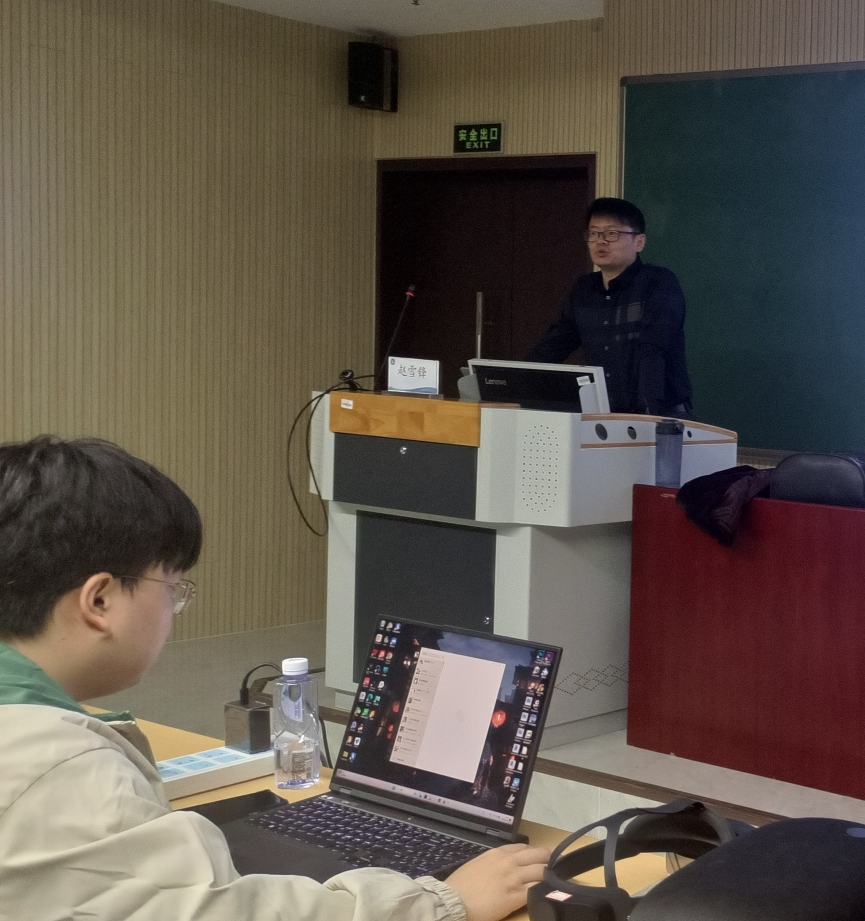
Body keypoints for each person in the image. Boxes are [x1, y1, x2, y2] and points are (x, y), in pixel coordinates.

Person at [0, 436, 546, 921]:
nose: (175, 609)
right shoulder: (63, 770)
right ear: (99, 601)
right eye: (173, 588)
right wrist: (446, 903)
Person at [527, 197, 693, 417]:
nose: (601, 241)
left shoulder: (658, 282)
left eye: (612, 234)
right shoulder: (583, 289)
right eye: (594, 234)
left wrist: (648, 417)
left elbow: (653, 352)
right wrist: (515, 385)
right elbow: (552, 346)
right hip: (603, 416)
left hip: (661, 417)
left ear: (639, 242)